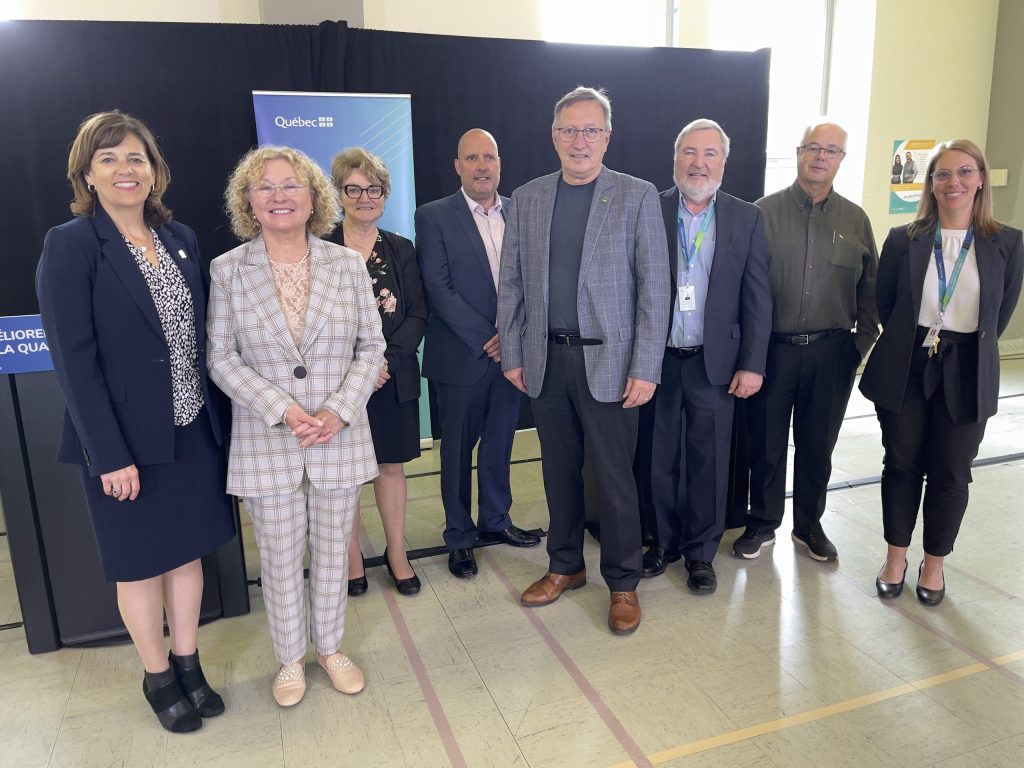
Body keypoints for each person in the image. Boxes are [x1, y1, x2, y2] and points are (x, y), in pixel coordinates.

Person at [36, 111, 235, 733]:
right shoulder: (70, 245)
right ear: (87, 174)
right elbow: (74, 362)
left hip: (190, 431)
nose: (126, 169)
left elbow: (199, 338)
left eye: (137, 158)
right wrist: (109, 454)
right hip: (126, 445)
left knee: (187, 556)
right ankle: (157, 676)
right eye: (110, 159)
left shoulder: (180, 239)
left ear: (155, 171)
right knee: (141, 562)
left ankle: (188, 662)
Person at [207, 146, 384, 707]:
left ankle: (331, 649)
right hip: (267, 439)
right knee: (280, 557)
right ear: (249, 203)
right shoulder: (227, 270)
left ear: (314, 198)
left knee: (334, 550)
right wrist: (282, 408)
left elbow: (372, 347)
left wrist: (337, 410)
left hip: (338, 434)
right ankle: (289, 659)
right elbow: (220, 357)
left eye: (291, 186)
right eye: (266, 187)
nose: (279, 196)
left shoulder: (347, 265)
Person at [497, 87, 670, 635]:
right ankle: (565, 565)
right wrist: (514, 351)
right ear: (554, 136)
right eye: (569, 130)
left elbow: (654, 288)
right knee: (557, 472)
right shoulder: (526, 198)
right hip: (547, 359)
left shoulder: (637, 196)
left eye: (590, 130)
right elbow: (512, 283)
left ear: (607, 137)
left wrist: (646, 366)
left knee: (616, 480)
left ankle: (622, 582)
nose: (579, 141)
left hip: (615, 364)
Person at [861, 140, 1023, 605]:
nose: (954, 182)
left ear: (980, 180)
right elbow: (888, 305)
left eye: (964, 172)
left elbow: (1000, 311)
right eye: (943, 174)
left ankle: (935, 564)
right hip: (908, 363)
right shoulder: (903, 239)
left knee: (952, 471)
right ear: (930, 183)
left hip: (968, 365)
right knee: (902, 463)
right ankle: (896, 557)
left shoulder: (1007, 243)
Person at [736, 121, 879, 562]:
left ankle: (810, 526)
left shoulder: (855, 219)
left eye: (831, 150)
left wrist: (857, 347)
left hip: (832, 353)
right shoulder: (761, 213)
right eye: (814, 147)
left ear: (841, 159)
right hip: (772, 352)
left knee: (819, 444)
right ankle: (761, 523)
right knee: (765, 444)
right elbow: (742, 289)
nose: (821, 156)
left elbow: (870, 292)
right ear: (799, 152)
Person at [644, 119, 772, 593]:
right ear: (675, 159)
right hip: (655, 362)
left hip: (715, 363)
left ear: (723, 162)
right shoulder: (648, 209)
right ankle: (661, 542)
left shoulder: (746, 217)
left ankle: (700, 554)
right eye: (690, 153)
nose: (699, 163)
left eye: (710, 154)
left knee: (709, 461)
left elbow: (758, 297)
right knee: (658, 459)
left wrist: (753, 362)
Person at [415, 128, 540, 580]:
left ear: (500, 163)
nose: (483, 166)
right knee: (456, 454)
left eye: (490, 157)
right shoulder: (433, 216)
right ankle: (459, 537)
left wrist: (512, 337)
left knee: (501, 443)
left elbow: (533, 281)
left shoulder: (522, 212)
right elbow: (438, 287)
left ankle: (496, 521)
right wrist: (489, 337)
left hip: (513, 358)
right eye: (473, 158)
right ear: (458, 165)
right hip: (462, 357)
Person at [327, 147, 426, 596]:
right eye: (354, 189)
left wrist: (381, 364)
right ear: (338, 194)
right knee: (343, 476)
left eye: (373, 189)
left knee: (390, 469)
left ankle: (397, 554)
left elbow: (418, 315)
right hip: (336, 385)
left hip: (391, 378)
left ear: (384, 195)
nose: (364, 197)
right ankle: (351, 561)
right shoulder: (320, 249)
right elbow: (311, 322)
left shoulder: (401, 249)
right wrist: (357, 369)